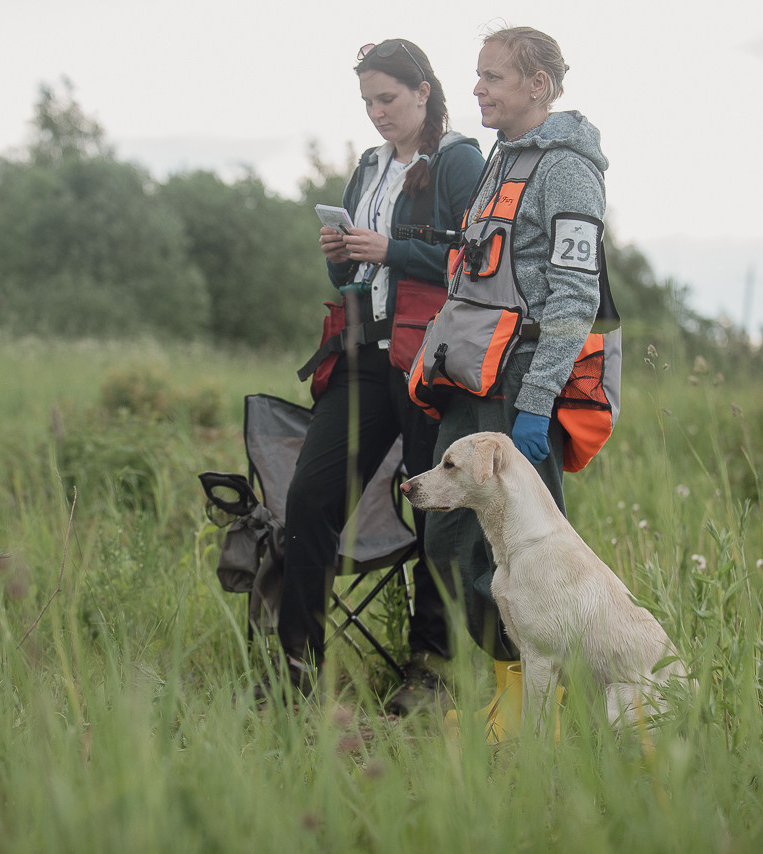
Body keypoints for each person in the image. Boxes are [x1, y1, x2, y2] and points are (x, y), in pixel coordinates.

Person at [273, 38, 484, 713]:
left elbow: (476, 258)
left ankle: (430, 673)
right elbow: (349, 276)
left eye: (387, 98)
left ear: (423, 92)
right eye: (367, 101)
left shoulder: (459, 160)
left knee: (434, 517)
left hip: (428, 360)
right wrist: (341, 253)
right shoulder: (367, 167)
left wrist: (392, 248)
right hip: (362, 355)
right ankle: (296, 670)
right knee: (309, 499)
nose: (376, 112)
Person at [416, 26, 609, 737]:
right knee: (453, 545)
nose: (478, 89)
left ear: (539, 87)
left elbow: (574, 294)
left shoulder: (567, 169)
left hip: (522, 379)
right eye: (479, 75)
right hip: (474, 373)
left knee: (531, 558)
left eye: (494, 77)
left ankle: (546, 709)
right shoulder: (500, 157)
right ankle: (511, 689)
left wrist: (536, 404)